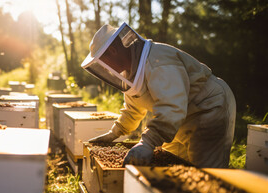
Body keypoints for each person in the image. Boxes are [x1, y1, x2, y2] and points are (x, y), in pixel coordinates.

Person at [81, 22, 236, 168]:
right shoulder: (132, 73)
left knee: (205, 174)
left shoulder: (158, 61)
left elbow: (172, 106)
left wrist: (147, 142)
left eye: (103, 62)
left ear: (113, 51)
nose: (106, 69)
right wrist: (114, 133)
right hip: (180, 119)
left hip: (208, 108)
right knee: (171, 166)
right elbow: (133, 110)